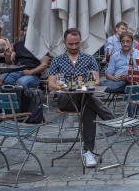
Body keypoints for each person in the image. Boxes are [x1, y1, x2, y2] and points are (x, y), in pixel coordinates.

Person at [48, 28, 115, 168]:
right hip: (65, 100)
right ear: (64, 43)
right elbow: (51, 85)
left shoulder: (88, 59)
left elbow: (96, 81)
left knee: (88, 108)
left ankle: (88, 152)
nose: (74, 47)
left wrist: (80, 86)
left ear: (81, 42)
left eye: (77, 44)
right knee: (83, 96)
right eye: (70, 44)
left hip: (84, 99)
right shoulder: (57, 60)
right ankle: (111, 118)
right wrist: (68, 87)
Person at [2, 24, 50, 89]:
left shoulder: (42, 46)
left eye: (29, 31)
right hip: (17, 72)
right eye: (24, 30)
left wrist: (30, 72)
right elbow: (9, 61)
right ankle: (12, 97)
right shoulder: (18, 44)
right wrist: (8, 55)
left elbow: (44, 65)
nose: (26, 33)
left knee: (21, 83)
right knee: (2, 79)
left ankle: (22, 96)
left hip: (33, 75)